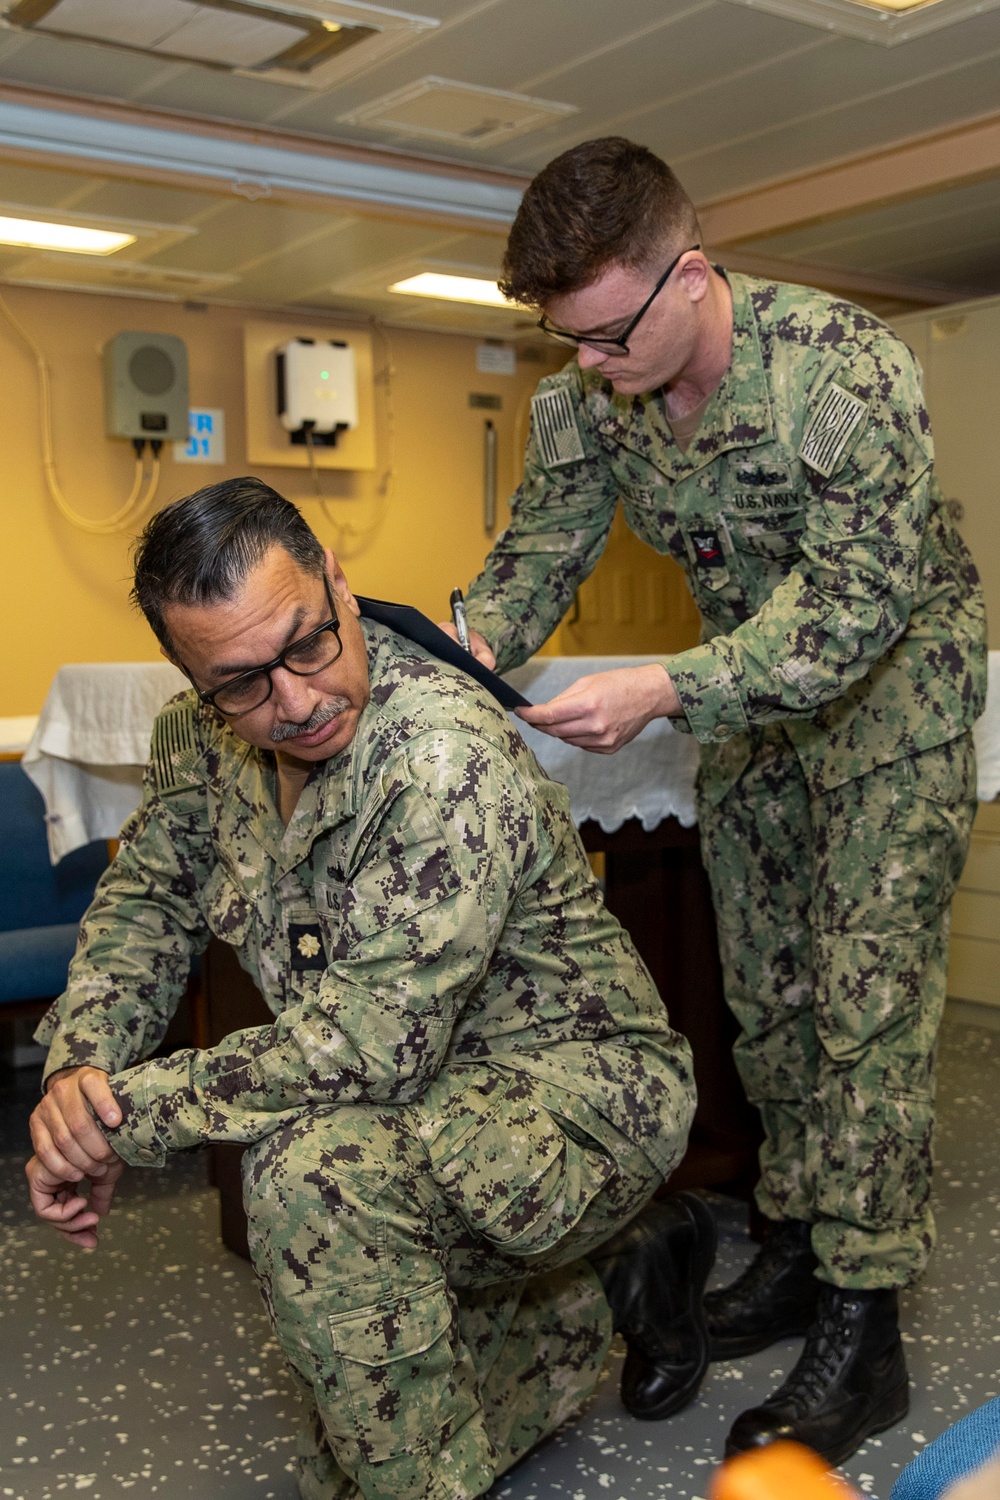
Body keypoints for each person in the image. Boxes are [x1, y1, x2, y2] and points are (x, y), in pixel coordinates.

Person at [443, 136, 987, 1466]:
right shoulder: (594, 393)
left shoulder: (843, 370)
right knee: (772, 993)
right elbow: (536, 560)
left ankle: (868, 1327)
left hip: (889, 699)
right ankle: (800, 1244)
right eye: (565, 339)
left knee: (863, 1011)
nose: (590, 364)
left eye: (609, 333)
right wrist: (449, 650)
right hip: (749, 707)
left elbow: (854, 613)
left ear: (691, 277)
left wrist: (664, 686)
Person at [25, 479, 715, 1500]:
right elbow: (146, 906)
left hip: (571, 1090)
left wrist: (120, 1117)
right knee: (353, 1438)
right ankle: (593, 1293)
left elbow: (364, 1045)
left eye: (307, 644)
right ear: (192, 679)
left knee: (314, 1181)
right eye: (242, 682)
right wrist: (81, 1067)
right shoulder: (202, 736)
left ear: (338, 584)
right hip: (410, 1098)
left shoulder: (439, 754)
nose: (296, 701)